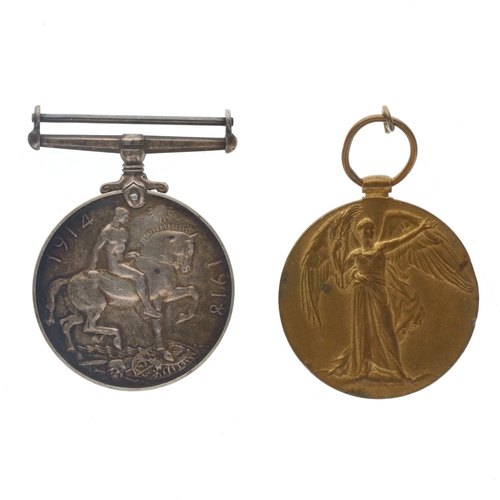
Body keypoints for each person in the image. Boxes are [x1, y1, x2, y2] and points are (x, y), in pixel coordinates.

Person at [329, 217, 433, 381]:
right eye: (366, 229)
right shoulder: (355, 254)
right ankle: (363, 369)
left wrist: (420, 229)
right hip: (361, 294)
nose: (370, 232)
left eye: (372, 229)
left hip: (379, 294)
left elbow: (401, 240)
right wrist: (336, 255)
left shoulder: (381, 248)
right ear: (359, 232)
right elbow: (341, 277)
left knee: (386, 331)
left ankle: (398, 371)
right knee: (362, 330)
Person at [89, 207, 161, 319]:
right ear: (118, 215)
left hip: (122, 263)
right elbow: (96, 250)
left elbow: (121, 253)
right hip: (114, 266)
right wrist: (92, 269)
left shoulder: (124, 232)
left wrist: (131, 255)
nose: (126, 220)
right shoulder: (107, 231)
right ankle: (147, 308)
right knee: (140, 276)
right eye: (125, 217)